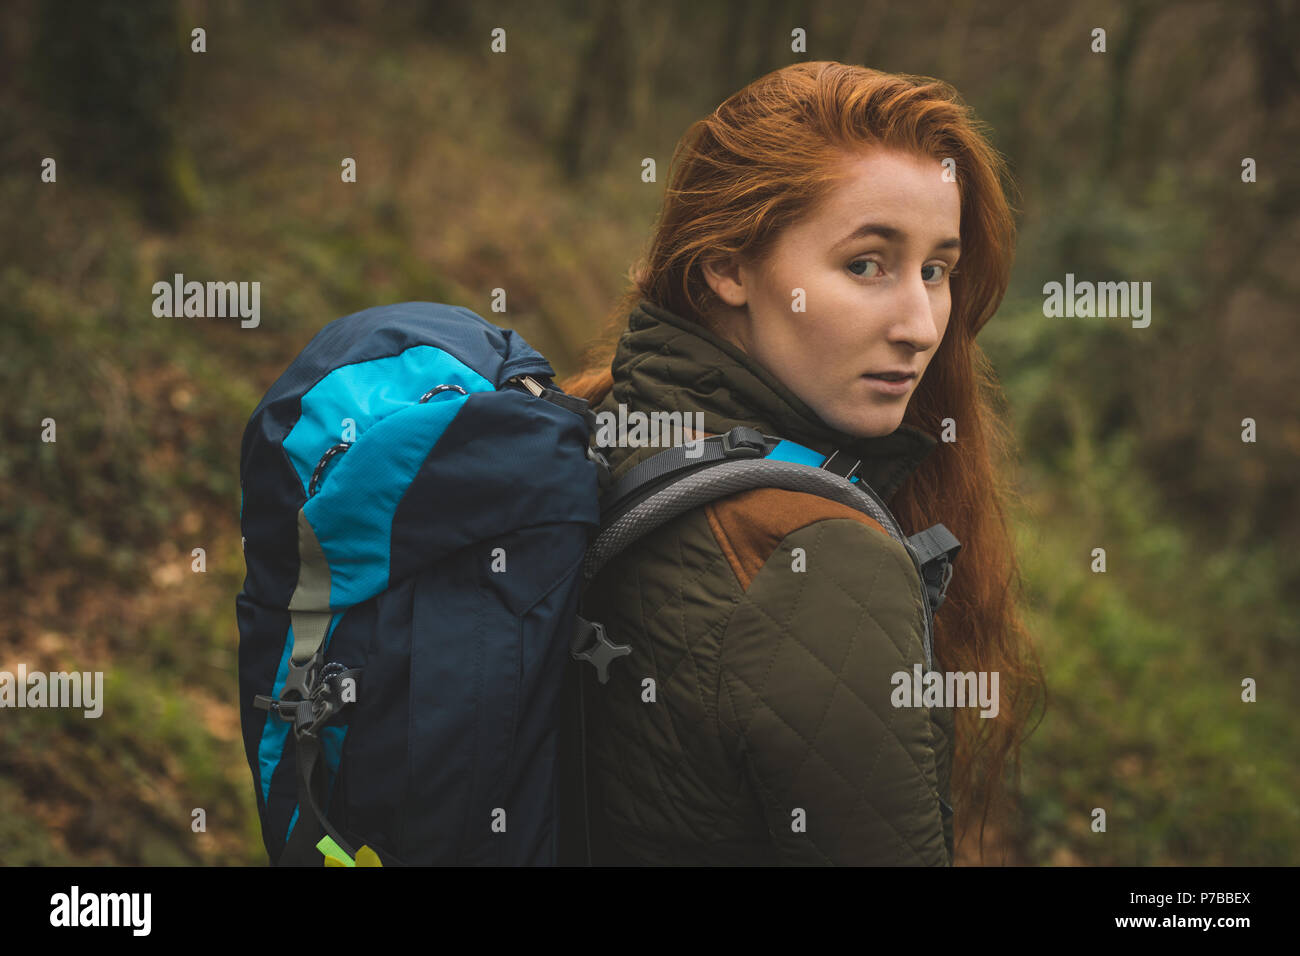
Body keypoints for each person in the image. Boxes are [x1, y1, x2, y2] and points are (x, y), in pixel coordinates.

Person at [561, 61, 1043, 866]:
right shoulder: (822, 557)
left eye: (937, 271)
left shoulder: (603, 428)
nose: (922, 326)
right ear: (727, 266)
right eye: (866, 265)